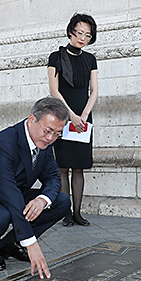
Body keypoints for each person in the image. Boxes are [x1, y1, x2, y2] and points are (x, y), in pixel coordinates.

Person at [0, 97, 73, 278]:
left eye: (57, 133)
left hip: (12, 196)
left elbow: (53, 179)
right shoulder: (4, 143)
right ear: (32, 119)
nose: (51, 138)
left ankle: (11, 244)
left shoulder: (45, 143)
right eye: (48, 131)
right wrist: (32, 244)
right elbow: (9, 193)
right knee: (2, 214)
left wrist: (42, 201)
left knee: (61, 201)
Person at [48, 13, 99, 226]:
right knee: (63, 167)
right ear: (71, 32)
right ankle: (65, 213)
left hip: (84, 116)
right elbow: (54, 90)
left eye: (87, 35)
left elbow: (94, 90)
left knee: (79, 167)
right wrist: (71, 115)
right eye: (79, 33)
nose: (82, 38)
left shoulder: (90, 59)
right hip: (63, 115)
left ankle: (77, 213)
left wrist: (84, 115)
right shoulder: (55, 57)